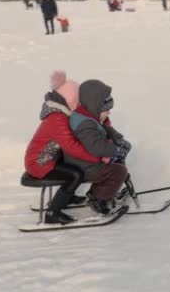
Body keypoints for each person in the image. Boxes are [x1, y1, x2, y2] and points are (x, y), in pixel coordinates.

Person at [24, 71, 102, 225]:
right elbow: (71, 146)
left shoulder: (62, 114)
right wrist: (96, 157)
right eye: (78, 101)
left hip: (50, 159)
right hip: (39, 163)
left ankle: (66, 196)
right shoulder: (57, 119)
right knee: (75, 175)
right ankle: (53, 213)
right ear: (70, 100)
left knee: (74, 167)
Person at [65, 79, 131, 216]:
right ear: (95, 105)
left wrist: (119, 140)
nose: (109, 113)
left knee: (116, 164)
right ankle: (98, 199)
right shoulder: (84, 124)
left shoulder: (89, 114)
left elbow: (106, 128)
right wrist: (116, 150)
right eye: (106, 109)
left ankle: (103, 192)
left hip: (85, 160)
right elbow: (96, 147)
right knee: (118, 171)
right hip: (81, 165)